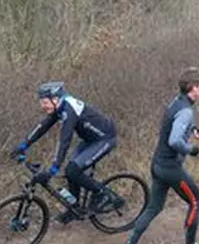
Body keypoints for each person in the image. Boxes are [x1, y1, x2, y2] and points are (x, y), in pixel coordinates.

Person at [116, 67, 199, 244]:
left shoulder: (177, 102)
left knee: (154, 207)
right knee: (196, 202)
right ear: (193, 88)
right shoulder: (185, 110)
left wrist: (193, 129)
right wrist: (191, 149)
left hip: (158, 165)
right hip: (170, 168)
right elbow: (174, 140)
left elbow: (175, 122)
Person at [9, 81, 118, 224]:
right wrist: (23, 145)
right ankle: (74, 208)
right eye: (41, 102)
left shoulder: (70, 110)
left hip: (105, 139)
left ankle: (103, 194)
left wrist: (53, 169)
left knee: (73, 170)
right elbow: (41, 127)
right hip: (89, 141)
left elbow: (64, 141)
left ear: (55, 99)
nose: (42, 106)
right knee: (70, 171)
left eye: (45, 102)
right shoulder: (59, 107)